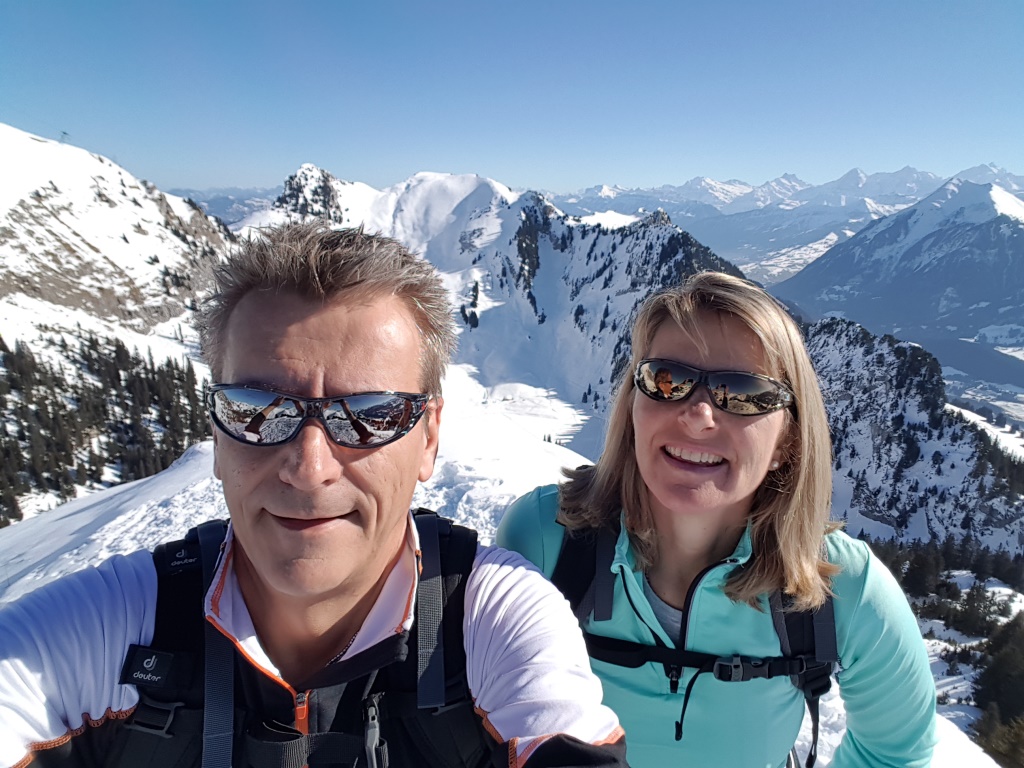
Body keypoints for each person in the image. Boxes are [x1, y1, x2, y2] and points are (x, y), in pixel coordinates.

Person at [0, 223, 626, 768]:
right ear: (216, 433)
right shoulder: (113, 628)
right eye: (254, 409)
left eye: (371, 415)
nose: (309, 467)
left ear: (429, 438)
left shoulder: (490, 621)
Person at [497, 272, 937, 767]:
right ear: (634, 403)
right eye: (667, 380)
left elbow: (896, 753)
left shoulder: (840, 587)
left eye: (742, 393)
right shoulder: (545, 539)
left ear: (787, 441)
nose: (698, 415)